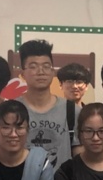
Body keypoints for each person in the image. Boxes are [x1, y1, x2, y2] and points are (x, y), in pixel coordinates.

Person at [16, 39, 74, 171]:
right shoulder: (12, 110)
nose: (41, 72)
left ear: (53, 72)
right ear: (23, 74)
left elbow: (80, 157)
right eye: (33, 66)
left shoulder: (72, 111)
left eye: (46, 66)